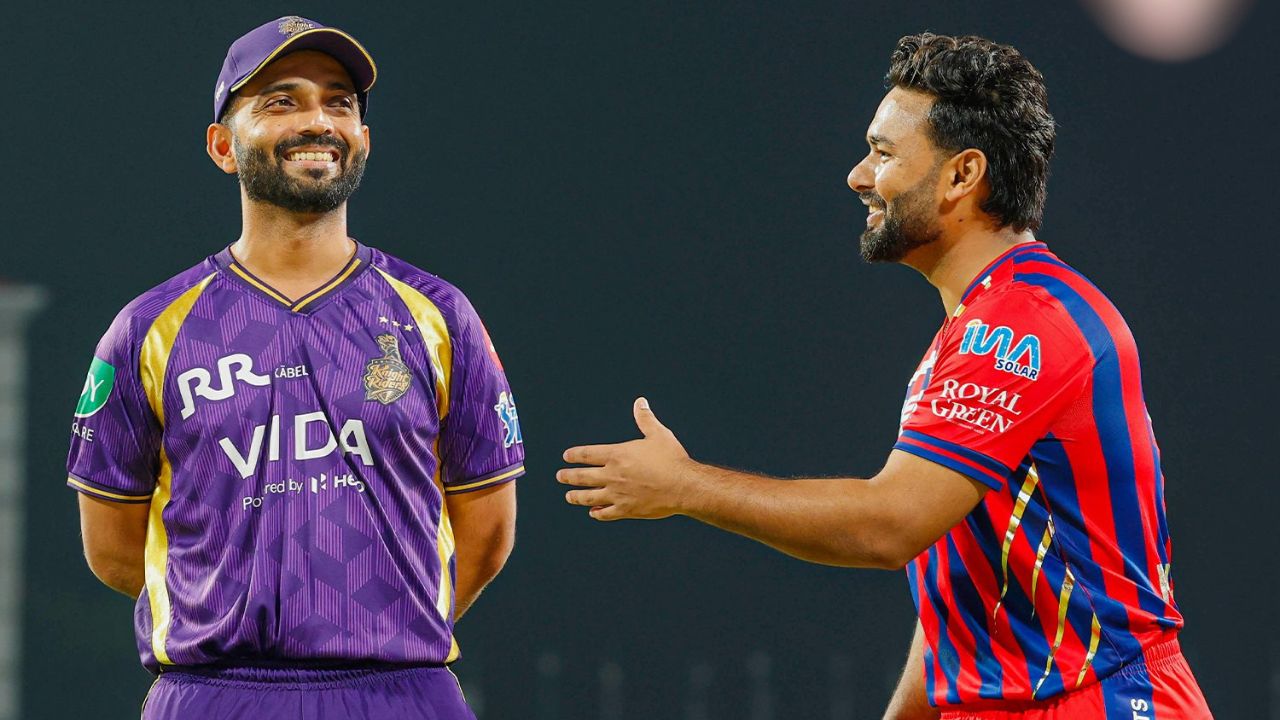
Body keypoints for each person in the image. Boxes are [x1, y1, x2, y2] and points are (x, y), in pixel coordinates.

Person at [560, 33, 1212, 719]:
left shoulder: (1021, 326)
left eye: (883, 153)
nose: (858, 176)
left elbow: (890, 526)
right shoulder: (987, 321)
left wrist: (687, 485)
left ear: (963, 175)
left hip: (1102, 702)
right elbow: (960, 572)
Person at [66, 16, 524, 720]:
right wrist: (228, 612)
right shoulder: (149, 327)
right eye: (282, 101)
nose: (318, 120)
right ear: (223, 146)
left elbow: (487, 533)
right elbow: (112, 548)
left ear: (363, 137)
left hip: (402, 692)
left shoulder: (438, 314)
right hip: (214, 695)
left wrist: (384, 628)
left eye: (339, 102)